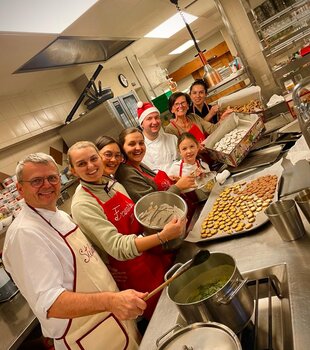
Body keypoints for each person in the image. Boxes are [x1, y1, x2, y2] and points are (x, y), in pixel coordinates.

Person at [2, 153, 146, 350]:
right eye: (36, 181)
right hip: (86, 336)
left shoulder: (60, 215)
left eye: (52, 177)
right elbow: (52, 303)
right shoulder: (24, 234)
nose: (47, 185)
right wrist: (111, 300)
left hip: (114, 320)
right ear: (20, 188)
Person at [68, 140, 186, 321]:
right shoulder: (83, 204)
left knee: (184, 298)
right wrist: (162, 236)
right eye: (82, 164)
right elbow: (117, 247)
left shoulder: (113, 184)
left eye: (93, 159)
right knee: (167, 318)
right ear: (73, 171)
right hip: (135, 273)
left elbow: (139, 221)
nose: (90, 166)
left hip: (154, 257)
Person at [115, 127, 196, 203]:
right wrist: (178, 187)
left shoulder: (138, 165)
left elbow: (153, 185)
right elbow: (153, 203)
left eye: (141, 143)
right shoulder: (126, 173)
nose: (138, 148)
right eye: (132, 144)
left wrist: (168, 180)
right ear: (122, 148)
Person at [137, 101, 178, 174]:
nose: (155, 122)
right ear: (141, 124)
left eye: (156, 117)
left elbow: (182, 161)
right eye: (149, 118)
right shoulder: (139, 149)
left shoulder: (172, 138)